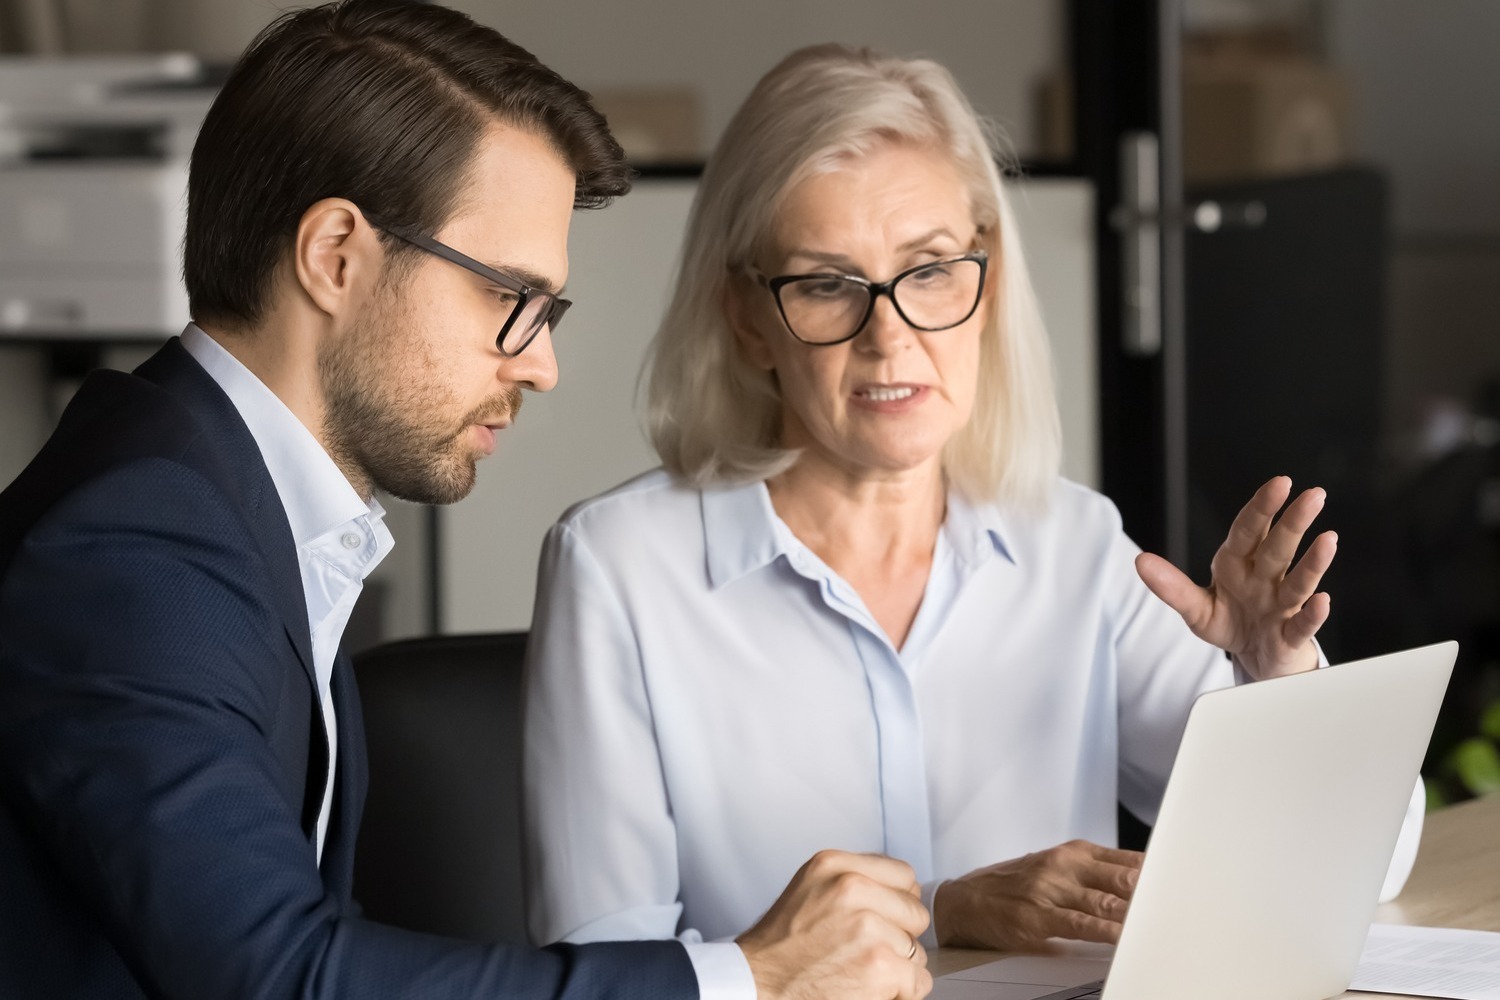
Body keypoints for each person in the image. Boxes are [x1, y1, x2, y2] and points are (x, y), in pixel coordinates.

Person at [0, 7, 932, 999]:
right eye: (508, 297)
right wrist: (747, 979)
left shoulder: (232, 509)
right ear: (336, 258)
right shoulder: (138, 546)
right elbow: (278, 976)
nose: (542, 363)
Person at [522, 43, 1425, 956]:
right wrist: (938, 912)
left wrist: (1279, 679)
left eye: (929, 271)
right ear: (749, 317)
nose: (891, 337)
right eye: (829, 285)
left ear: (985, 284)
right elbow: (603, 966)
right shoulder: (618, 568)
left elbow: (1359, 863)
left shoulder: (1074, 542)